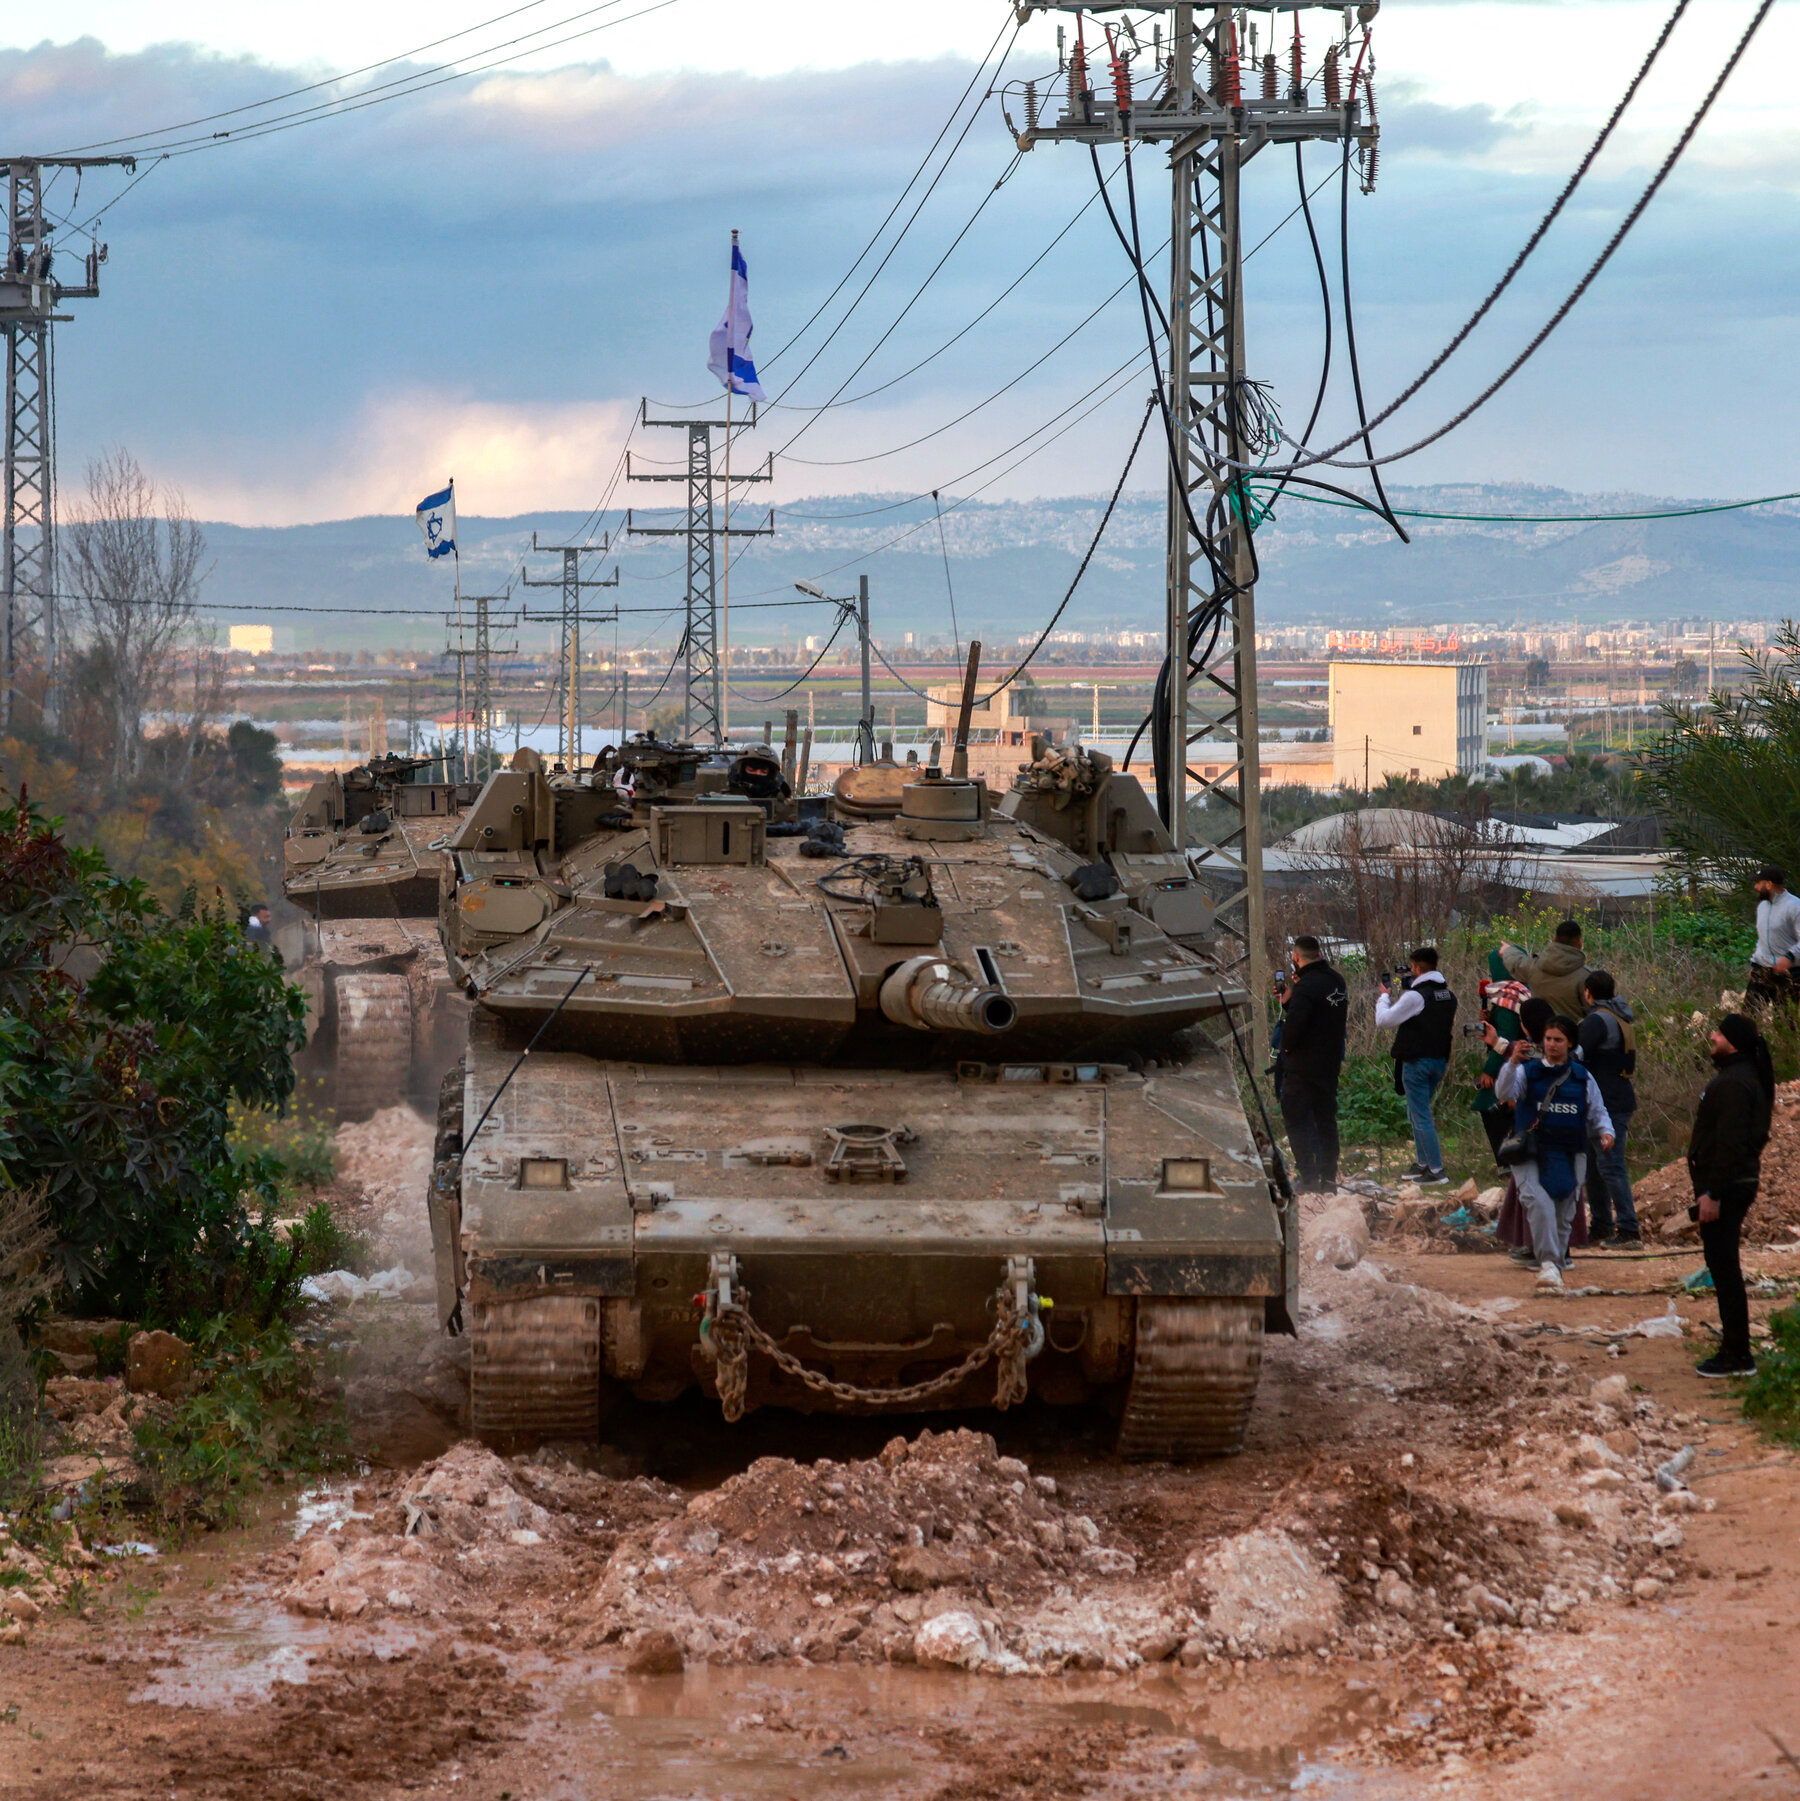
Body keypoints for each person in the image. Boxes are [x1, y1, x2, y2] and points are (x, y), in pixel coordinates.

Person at [1494, 1016, 1615, 1288]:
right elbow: (1503, 1092)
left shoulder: (1583, 1077)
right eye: (1548, 1039)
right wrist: (1512, 1063)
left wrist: (1607, 1133)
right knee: (1539, 1203)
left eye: (1558, 1040)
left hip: (1571, 1152)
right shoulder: (1529, 1072)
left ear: (1570, 1043)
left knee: (1564, 1212)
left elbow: (1597, 1110)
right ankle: (1547, 1263)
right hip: (1530, 1151)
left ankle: (1556, 1265)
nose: (1551, 1044)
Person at [1689, 1013, 1775, 1378]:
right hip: (1731, 1184)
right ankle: (1734, 1349)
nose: (1711, 1036)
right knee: (1723, 1267)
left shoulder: (1735, 1084)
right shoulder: (1738, 1077)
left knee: (1725, 1269)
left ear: (1733, 1041)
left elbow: (1730, 1145)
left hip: (1728, 1188)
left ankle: (1736, 1354)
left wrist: (1713, 1194)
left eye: (1718, 1033)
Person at [1273, 935, 1349, 1192]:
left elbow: (1296, 1027)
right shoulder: (1336, 980)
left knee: (1296, 1119)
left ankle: (1307, 1176)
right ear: (1319, 954)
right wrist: (1290, 1001)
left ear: (1296, 958)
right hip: (1330, 1064)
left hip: (1303, 1067)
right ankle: (1328, 1179)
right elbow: (1322, 1016)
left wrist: (1285, 1047)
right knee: (1326, 1120)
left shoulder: (1306, 987)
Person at [1375, 946, 1457, 1185]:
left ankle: (1435, 1170)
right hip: (1439, 1061)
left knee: (1420, 1116)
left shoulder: (1416, 995)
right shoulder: (1448, 994)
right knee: (1416, 1112)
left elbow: (1384, 1020)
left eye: (1412, 968)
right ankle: (1422, 1164)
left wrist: (1384, 996)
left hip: (1417, 1062)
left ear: (1417, 968)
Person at [1577, 970, 1640, 1245]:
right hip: (1616, 1096)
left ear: (1588, 992)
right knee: (1595, 1167)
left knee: (1611, 1166)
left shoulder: (1596, 1021)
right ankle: (1601, 1226)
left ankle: (1628, 1230)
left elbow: (1573, 1055)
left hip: (1606, 1101)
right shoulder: (1620, 1016)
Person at [1498, 920, 1592, 1019]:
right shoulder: (1586, 976)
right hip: (1572, 1032)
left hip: (1541, 1032)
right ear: (1580, 943)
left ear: (1554, 939)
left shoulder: (1534, 966)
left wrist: (1507, 950)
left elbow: (1516, 962)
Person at [1747, 865, 1800, 1010]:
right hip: (1763, 970)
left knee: (1785, 1020)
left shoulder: (1795, 906)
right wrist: (1755, 963)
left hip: (1790, 974)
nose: (1756, 887)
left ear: (1769, 884)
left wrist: (1789, 957)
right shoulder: (1762, 906)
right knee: (1749, 1015)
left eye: (1758, 883)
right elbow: (1762, 940)